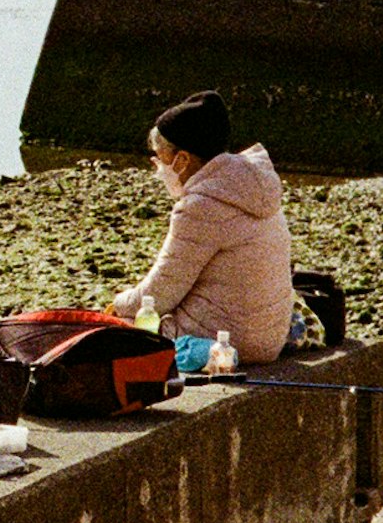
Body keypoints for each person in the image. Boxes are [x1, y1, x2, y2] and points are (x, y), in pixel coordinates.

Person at [107, 89, 294, 369]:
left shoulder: (199, 207)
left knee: (118, 328)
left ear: (182, 160)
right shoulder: (255, 186)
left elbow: (161, 291)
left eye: (160, 158)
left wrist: (117, 304)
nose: (157, 168)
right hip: (270, 338)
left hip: (228, 340)